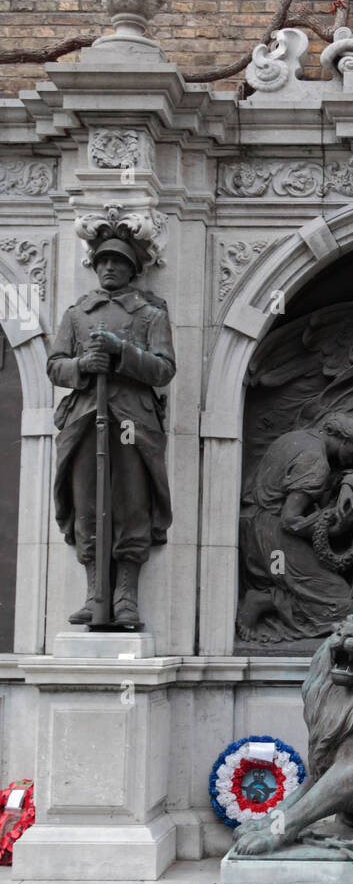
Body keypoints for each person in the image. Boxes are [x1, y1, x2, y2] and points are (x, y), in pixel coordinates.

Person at [48, 237, 175, 627]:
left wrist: (122, 351)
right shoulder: (77, 315)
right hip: (86, 418)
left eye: (117, 262)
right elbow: (55, 366)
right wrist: (83, 364)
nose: (108, 268)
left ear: (132, 269)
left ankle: (126, 599)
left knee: (131, 504)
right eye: (102, 261)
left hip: (131, 423)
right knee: (87, 504)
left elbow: (164, 369)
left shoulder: (150, 315)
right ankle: (94, 594)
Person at [237, 414, 353, 643]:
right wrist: (335, 527)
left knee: (310, 583)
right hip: (272, 538)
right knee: (342, 604)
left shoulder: (295, 437)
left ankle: (269, 597)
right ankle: (262, 602)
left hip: (252, 526)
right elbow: (290, 520)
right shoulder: (316, 462)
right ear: (345, 439)